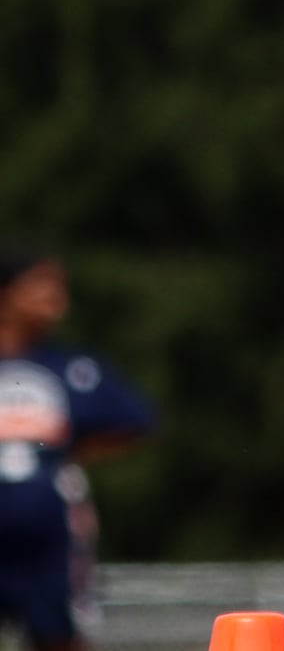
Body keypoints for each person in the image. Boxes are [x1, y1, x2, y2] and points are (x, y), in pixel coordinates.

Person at [0, 247, 152, 651]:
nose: (55, 299)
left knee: (57, 633)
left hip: (47, 532)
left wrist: (65, 457)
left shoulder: (70, 366)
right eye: (40, 286)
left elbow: (134, 423)